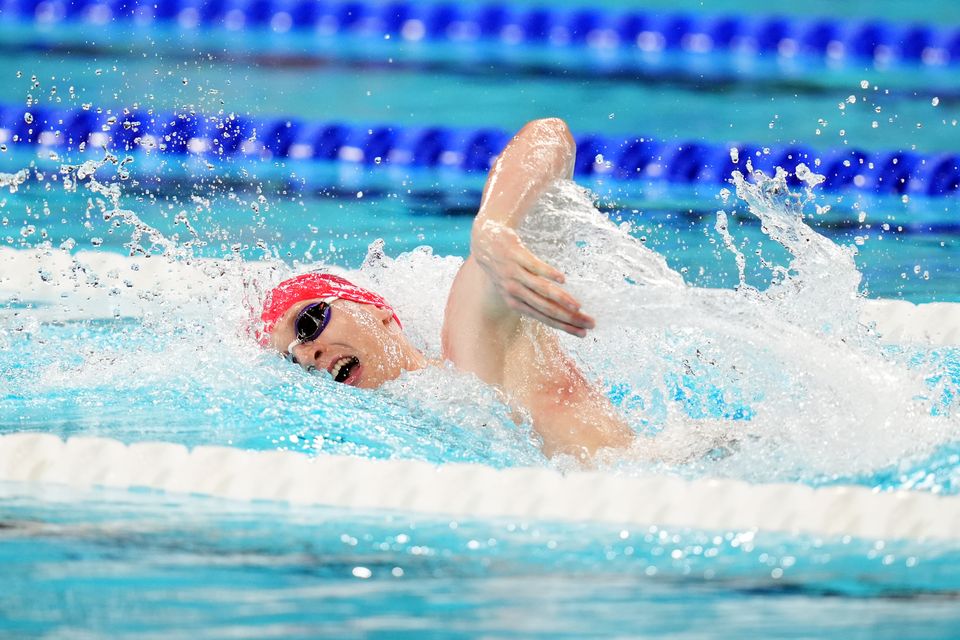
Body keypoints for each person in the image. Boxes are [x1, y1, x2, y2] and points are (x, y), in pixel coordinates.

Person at [259, 118, 636, 463]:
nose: (308, 354)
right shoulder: (409, 434)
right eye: (294, 360)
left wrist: (494, 227)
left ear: (374, 308)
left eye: (308, 323)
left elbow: (550, 136)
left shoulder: (473, 348)